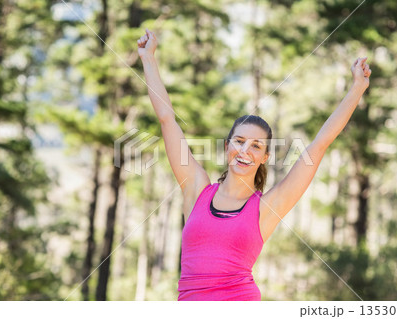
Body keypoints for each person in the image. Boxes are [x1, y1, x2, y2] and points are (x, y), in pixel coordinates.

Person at [137, 28, 371, 301]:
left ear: (265, 157)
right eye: (239, 141)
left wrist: (357, 88)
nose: (245, 150)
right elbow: (167, 119)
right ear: (227, 147)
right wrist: (148, 59)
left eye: (256, 146)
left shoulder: (266, 208)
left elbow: (319, 144)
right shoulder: (197, 190)